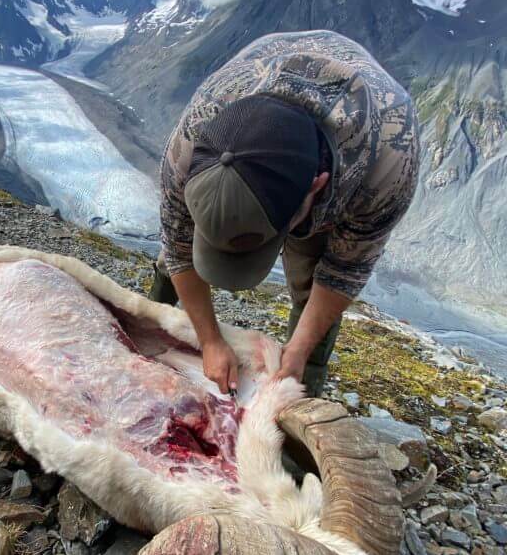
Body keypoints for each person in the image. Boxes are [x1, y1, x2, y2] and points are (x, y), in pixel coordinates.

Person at [151, 30, 420, 398]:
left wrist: (297, 351)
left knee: (310, 288)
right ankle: (148, 326)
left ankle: (298, 386)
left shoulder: (388, 158)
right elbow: (179, 241)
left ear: (315, 187)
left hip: (349, 165)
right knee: (174, 256)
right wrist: (210, 340)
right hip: (263, 75)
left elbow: (344, 270)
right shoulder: (196, 133)